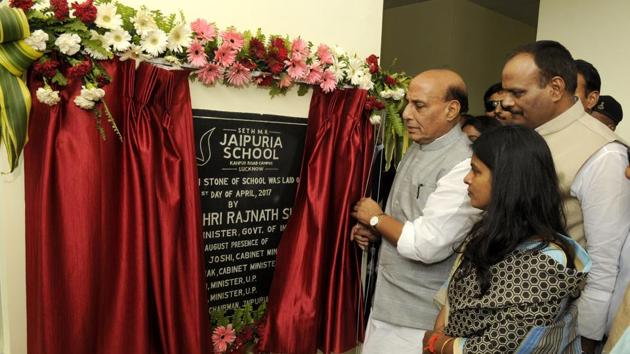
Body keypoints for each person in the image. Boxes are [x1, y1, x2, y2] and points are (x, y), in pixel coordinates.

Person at [501, 40, 630, 353]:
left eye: (517, 93)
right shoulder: (521, 138)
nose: (505, 102)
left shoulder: (604, 153)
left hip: (553, 330)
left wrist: (585, 339)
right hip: (502, 315)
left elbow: (603, 263)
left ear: (556, 88)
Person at [422, 125, 591, 354]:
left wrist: (437, 343)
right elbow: (451, 304)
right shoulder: (485, 234)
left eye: (476, 171)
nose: (466, 179)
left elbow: (499, 347)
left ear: (507, 180)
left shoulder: (546, 263)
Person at [350, 69, 481, 354]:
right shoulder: (419, 146)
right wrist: (378, 232)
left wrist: (376, 217)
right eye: (407, 104)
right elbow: (407, 220)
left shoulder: (463, 163)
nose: (407, 114)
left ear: (452, 109)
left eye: (419, 105)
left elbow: (427, 245)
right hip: (386, 305)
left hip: (417, 320)